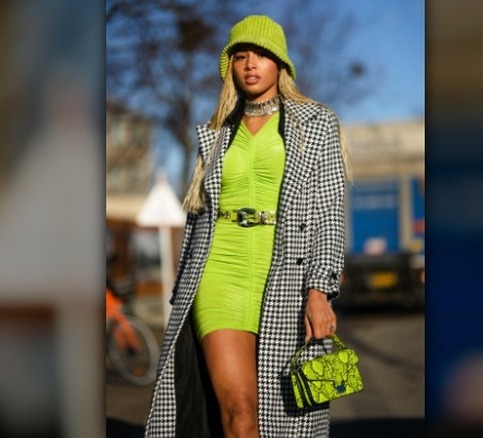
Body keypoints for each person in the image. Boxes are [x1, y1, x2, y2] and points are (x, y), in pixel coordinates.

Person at [145, 14, 351, 437]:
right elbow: (198, 214)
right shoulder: (216, 133)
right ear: (230, 67)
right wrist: (182, 290)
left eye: (261, 55)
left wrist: (320, 290)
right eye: (240, 56)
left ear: (281, 64)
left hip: (288, 277)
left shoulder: (316, 123)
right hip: (219, 275)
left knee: (290, 416)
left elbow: (329, 213)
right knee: (239, 413)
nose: (250, 64)